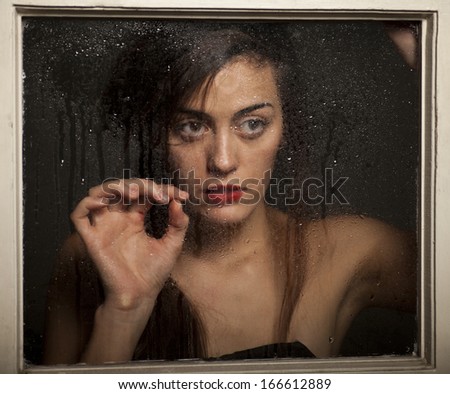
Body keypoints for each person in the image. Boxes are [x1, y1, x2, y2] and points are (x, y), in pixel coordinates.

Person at [42, 24, 417, 365]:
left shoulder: (344, 252)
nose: (222, 161)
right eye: (191, 126)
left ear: (285, 128)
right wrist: (125, 311)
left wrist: (425, 49)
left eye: (252, 124)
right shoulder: (94, 257)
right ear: (159, 136)